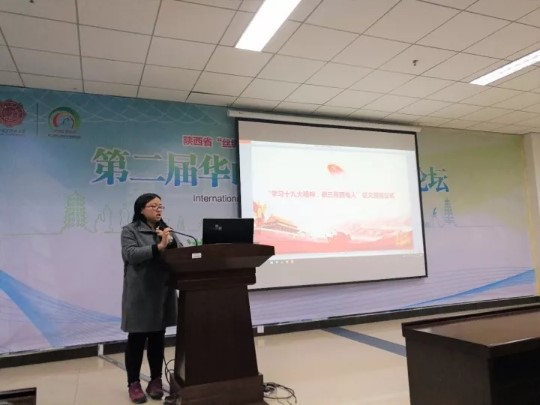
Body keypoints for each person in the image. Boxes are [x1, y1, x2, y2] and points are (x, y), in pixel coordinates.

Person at [121, 193, 180, 404]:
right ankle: (133, 383)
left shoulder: (166, 230)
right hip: (140, 293)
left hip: (162, 291)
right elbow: (131, 254)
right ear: (141, 209)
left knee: (157, 337)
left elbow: (180, 253)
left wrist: (170, 243)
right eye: (153, 206)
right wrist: (158, 247)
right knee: (137, 339)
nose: (158, 210)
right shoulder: (130, 231)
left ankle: (155, 380)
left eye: (160, 206)